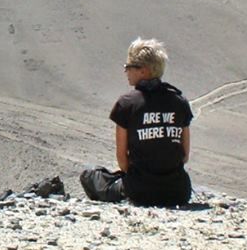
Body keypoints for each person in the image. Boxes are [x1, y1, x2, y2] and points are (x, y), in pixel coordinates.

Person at [80, 37, 193, 207]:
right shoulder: (180, 102)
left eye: (129, 67)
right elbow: (184, 156)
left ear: (143, 71)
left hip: (140, 191)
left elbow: (122, 160)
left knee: (90, 175)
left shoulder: (126, 104)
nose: (126, 71)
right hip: (178, 192)